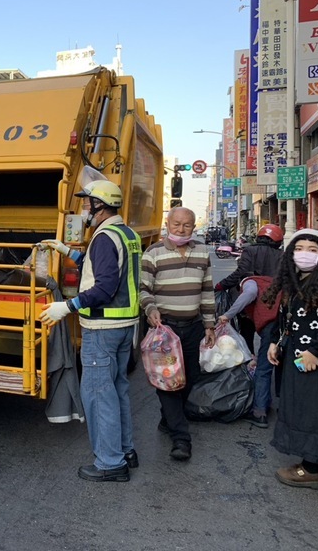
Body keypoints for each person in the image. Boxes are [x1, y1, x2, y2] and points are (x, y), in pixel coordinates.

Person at [40, 180, 141, 482]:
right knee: (117, 390)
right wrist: (66, 250)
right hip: (123, 327)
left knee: (98, 395)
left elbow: (105, 286)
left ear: (100, 205)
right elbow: (99, 267)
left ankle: (110, 463)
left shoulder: (104, 237)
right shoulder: (126, 234)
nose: (84, 208)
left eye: (87, 203)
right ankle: (126, 451)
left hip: (102, 327)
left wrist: (67, 306)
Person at [140, 206, 216, 462]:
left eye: (187, 225)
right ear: (167, 224)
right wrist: (150, 309)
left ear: (193, 227)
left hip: (193, 327)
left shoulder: (202, 251)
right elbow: (143, 289)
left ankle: (168, 419)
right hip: (165, 330)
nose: (181, 229)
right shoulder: (153, 253)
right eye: (176, 224)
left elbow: (207, 290)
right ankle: (181, 438)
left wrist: (209, 324)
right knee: (169, 381)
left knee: (190, 378)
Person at [266, 228, 318, 490]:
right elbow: (286, 318)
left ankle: (312, 469)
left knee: (316, 413)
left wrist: (317, 351)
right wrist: (274, 342)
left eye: (312, 250)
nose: (304, 254)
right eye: (299, 248)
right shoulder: (294, 283)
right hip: (297, 359)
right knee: (307, 410)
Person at [216, 271, 281, 428]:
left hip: (272, 328)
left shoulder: (249, 281)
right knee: (282, 367)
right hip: (285, 326)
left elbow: (250, 293)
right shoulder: (270, 280)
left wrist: (227, 315)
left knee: (263, 369)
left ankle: (259, 412)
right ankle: (283, 407)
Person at [215, 224, 284, 355]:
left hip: (248, 304)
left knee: (247, 332)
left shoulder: (250, 251)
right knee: (269, 336)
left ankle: (249, 359)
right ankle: (265, 361)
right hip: (271, 302)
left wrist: (222, 285)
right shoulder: (282, 255)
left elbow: (240, 272)